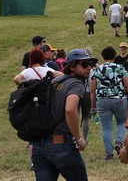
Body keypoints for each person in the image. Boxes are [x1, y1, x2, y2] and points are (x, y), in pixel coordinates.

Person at [31, 48, 98, 180]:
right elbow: (70, 109)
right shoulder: (76, 84)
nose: (89, 68)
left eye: (90, 64)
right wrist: (78, 139)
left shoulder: (54, 82)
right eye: (84, 64)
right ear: (72, 67)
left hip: (39, 145)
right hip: (61, 144)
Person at [90, 46, 128, 161]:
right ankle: (119, 141)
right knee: (122, 122)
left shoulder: (97, 69)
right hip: (119, 99)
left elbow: (92, 90)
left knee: (106, 127)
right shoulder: (120, 68)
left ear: (103, 57)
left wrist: (93, 106)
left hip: (102, 100)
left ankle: (109, 154)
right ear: (114, 57)